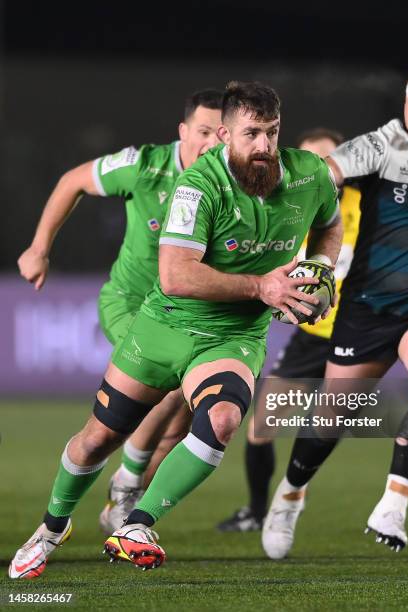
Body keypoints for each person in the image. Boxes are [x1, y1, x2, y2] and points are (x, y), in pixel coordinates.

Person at [9, 80, 342, 577]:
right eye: (252, 134)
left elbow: (330, 225)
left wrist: (319, 269)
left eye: (273, 133)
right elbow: (176, 276)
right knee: (97, 438)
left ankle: (136, 522)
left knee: (223, 419)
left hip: (234, 336)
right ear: (225, 135)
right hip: (164, 325)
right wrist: (263, 288)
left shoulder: (309, 174)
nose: (265, 147)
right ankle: (52, 528)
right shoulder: (195, 185)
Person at [262, 58, 408, 559]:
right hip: (369, 305)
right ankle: (289, 495)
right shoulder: (380, 145)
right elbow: (323, 177)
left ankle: (393, 504)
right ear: (406, 104)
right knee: (332, 415)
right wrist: (290, 243)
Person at [11, 89, 222, 578]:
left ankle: (126, 497)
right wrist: (40, 247)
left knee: (185, 419)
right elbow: (72, 181)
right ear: (183, 131)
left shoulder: (232, 180)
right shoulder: (144, 167)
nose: (213, 142)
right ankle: (124, 488)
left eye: (222, 133)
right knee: (170, 384)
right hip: (133, 305)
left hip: (191, 316)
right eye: (204, 131)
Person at [217, 128, 361, 532]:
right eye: (313, 158)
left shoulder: (367, 208)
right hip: (311, 338)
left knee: (326, 427)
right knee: (261, 427)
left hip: (357, 335)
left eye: (331, 159)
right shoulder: (288, 205)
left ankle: (293, 496)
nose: (323, 167)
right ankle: (258, 510)